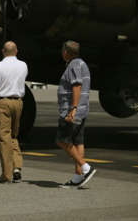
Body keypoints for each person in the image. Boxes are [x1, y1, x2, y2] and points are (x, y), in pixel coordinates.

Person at [0, 41, 28, 183]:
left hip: (4, 102)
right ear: (16, 51)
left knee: (3, 137)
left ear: (3, 51)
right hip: (18, 102)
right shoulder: (23, 65)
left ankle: (6, 174)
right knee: (13, 135)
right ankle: (17, 167)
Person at [56, 40, 96, 188]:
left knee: (62, 140)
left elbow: (77, 86)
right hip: (82, 109)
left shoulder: (73, 65)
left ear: (66, 52)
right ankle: (78, 176)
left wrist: (73, 109)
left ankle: (85, 167)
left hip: (72, 110)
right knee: (78, 142)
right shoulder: (82, 64)